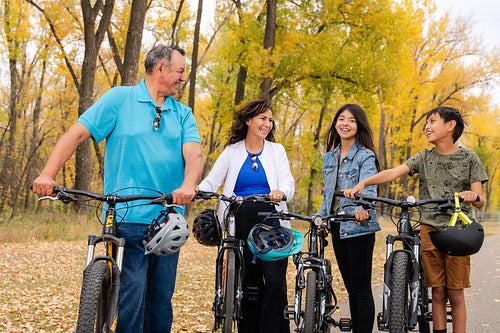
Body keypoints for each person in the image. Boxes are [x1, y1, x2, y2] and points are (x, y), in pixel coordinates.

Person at [32, 45, 204, 333]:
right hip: (127, 218)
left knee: (160, 300)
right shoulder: (120, 99)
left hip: (168, 222)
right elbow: (76, 134)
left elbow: (194, 155)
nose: (183, 78)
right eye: (180, 71)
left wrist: (188, 185)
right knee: (131, 295)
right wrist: (48, 174)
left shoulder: (183, 113)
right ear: (160, 68)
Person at [343, 106, 489, 333]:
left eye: (432, 121)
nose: (427, 127)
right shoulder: (423, 157)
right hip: (429, 230)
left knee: (456, 293)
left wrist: (473, 196)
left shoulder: (469, 158)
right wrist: (365, 183)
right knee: (438, 291)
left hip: (458, 231)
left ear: (451, 126)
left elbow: (480, 200)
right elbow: (393, 172)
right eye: (426, 123)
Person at [198, 98, 294, 333]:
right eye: (263, 118)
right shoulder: (232, 152)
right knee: (249, 286)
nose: (268, 123)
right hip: (238, 221)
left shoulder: (276, 150)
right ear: (249, 120)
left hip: (271, 221)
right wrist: (197, 191)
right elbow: (212, 181)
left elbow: (287, 182)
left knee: (273, 282)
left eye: (270, 119)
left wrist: (282, 192)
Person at [316, 104, 381, 333]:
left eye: (351, 120)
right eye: (341, 119)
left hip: (360, 226)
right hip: (337, 226)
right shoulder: (330, 157)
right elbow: (328, 194)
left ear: (359, 125)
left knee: (361, 288)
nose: (345, 123)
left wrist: (361, 207)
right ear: (335, 124)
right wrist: (320, 218)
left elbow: (369, 190)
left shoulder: (365, 156)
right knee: (351, 288)